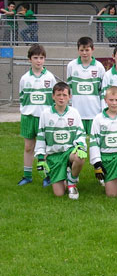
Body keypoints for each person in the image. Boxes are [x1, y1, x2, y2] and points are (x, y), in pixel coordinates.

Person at [34, 82, 87, 200]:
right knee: (59, 193)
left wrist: (80, 146)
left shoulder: (74, 113)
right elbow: (41, 137)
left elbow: (80, 133)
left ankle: (72, 183)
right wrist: (41, 159)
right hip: (54, 155)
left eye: (64, 95)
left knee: (80, 157)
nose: (61, 98)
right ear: (53, 96)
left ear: (69, 97)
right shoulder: (45, 114)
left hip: (69, 152)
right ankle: (67, 173)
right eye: (58, 95)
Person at [17, 44, 57, 187]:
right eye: (35, 58)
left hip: (45, 118)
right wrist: (27, 110)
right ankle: (27, 175)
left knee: (45, 148)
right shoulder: (24, 78)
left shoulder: (50, 77)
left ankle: (47, 176)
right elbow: (22, 97)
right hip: (29, 117)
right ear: (29, 60)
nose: (38, 61)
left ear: (44, 59)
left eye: (41, 58)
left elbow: (54, 98)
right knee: (29, 146)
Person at [67, 36, 105, 135]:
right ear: (78, 50)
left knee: (93, 143)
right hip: (77, 111)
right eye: (82, 50)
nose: (84, 53)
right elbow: (69, 88)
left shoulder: (99, 67)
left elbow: (102, 91)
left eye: (87, 50)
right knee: (78, 143)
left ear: (92, 49)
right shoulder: (71, 66)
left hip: (94, 112)